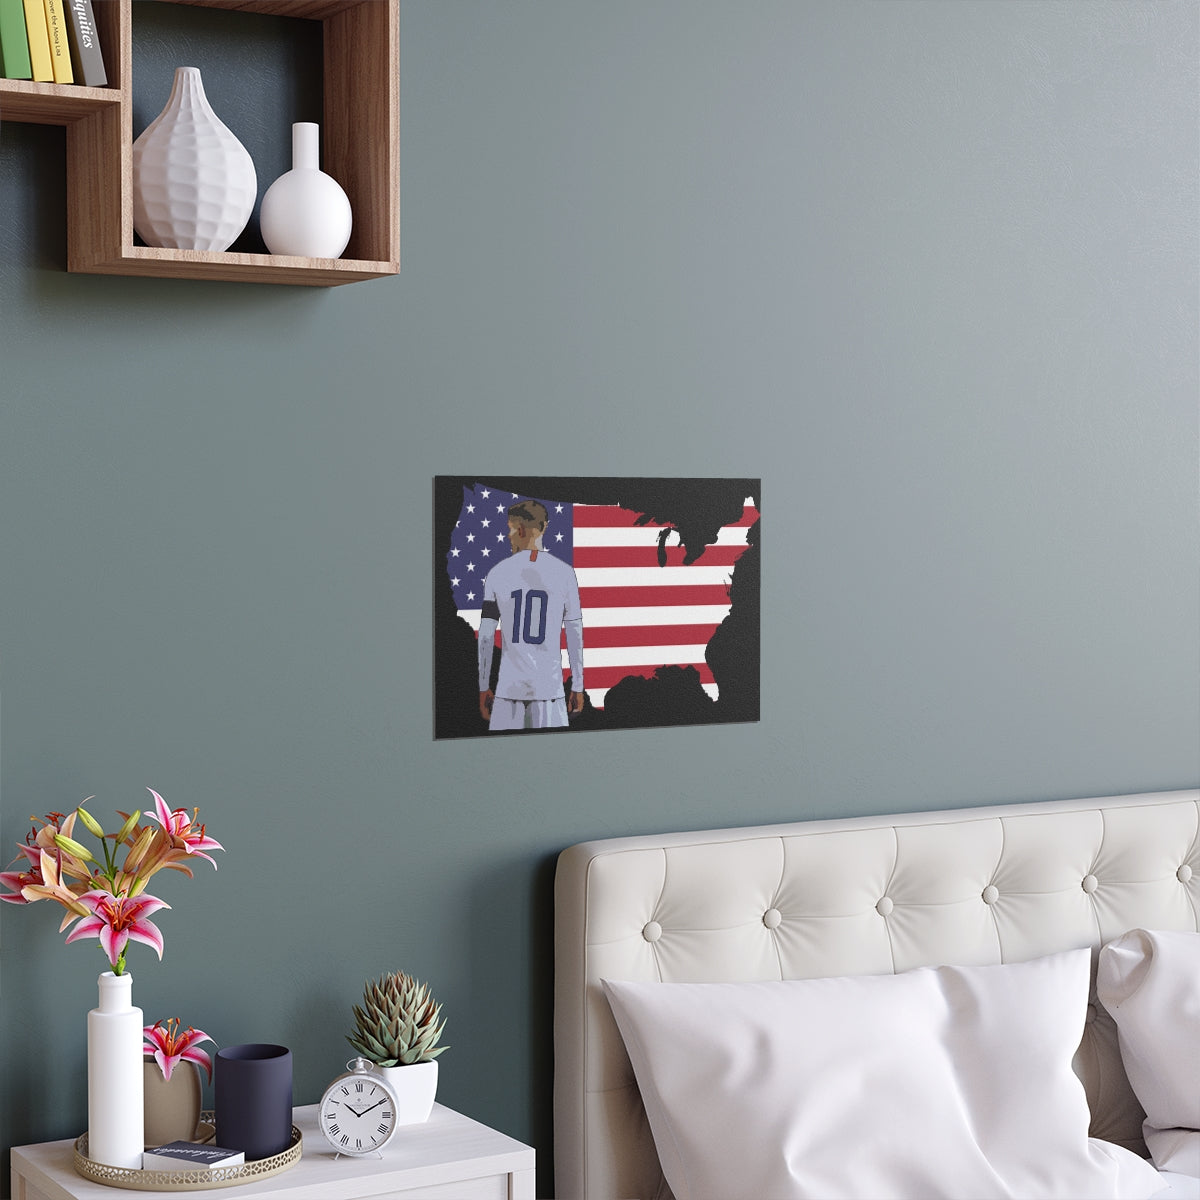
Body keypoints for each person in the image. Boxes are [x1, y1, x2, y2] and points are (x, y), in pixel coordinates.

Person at [477, 500, 585, 730]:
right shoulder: (565, 573)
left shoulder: (497, 573)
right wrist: (578, 685)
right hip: (549, 692)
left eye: (510, 529)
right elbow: (574, 633)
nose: (508, 536)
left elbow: (486, 636)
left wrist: (483, 685)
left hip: (509, 691)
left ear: (521, 529)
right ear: (544, 527)